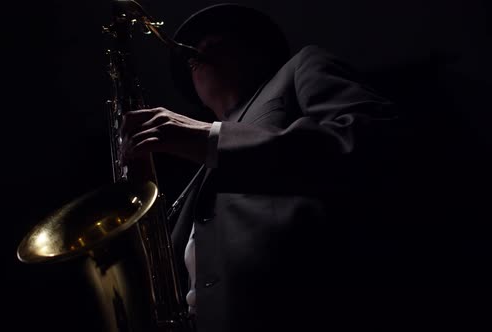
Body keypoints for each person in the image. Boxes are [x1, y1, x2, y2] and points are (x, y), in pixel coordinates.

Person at [121, 3, 405, 331]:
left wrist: (209, 137)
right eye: (192, 54)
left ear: (258, 51)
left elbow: (372, 140)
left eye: (216, 42)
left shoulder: (302, 66)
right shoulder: (197, 177)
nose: (197, 51)